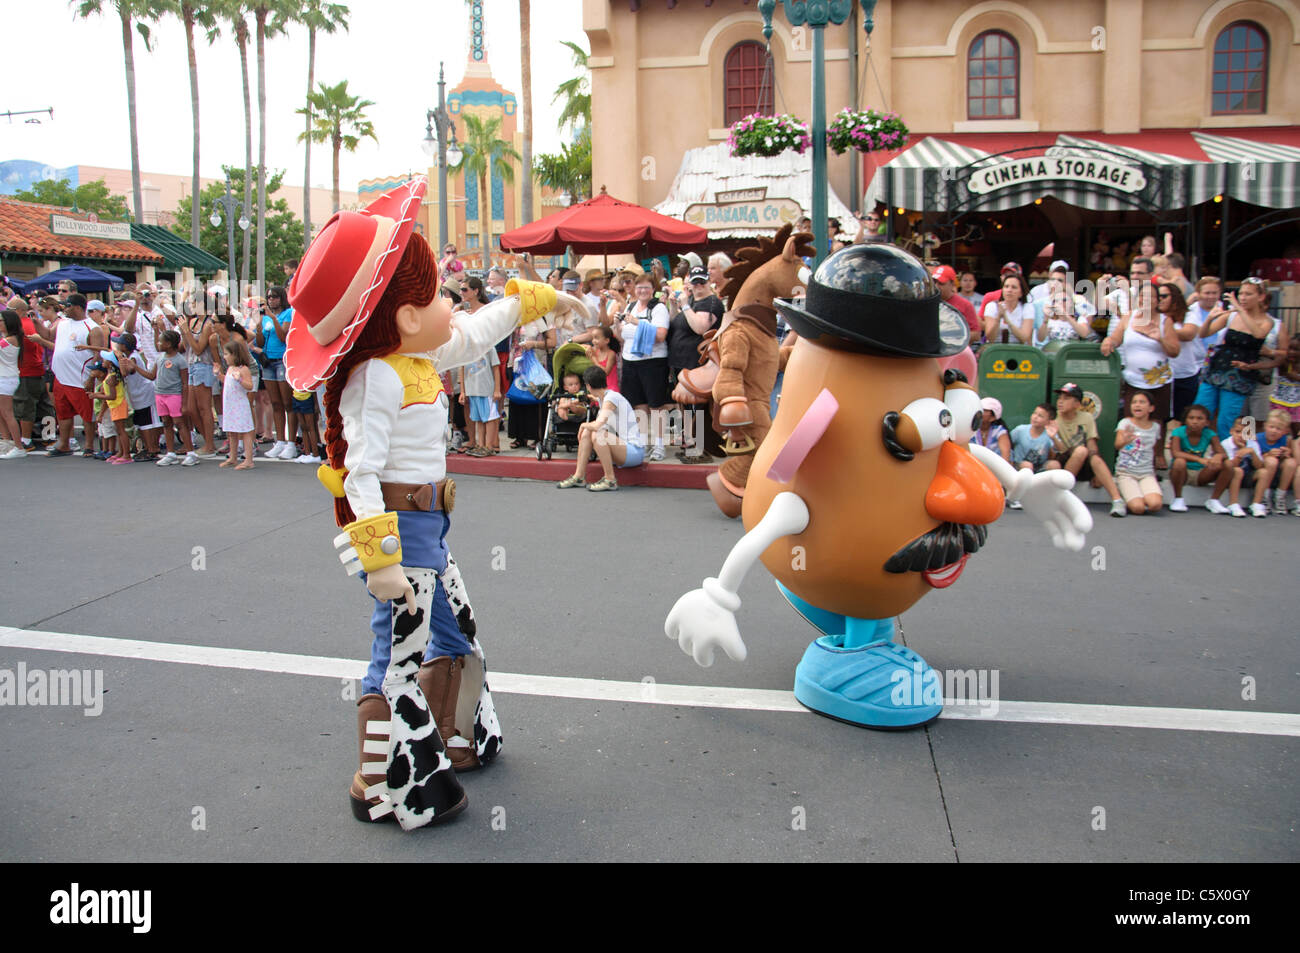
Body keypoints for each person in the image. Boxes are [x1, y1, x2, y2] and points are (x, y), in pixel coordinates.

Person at [1194, 278, 1274, 439]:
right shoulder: (1231, 316)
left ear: (1261, 297)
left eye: (1248, 294)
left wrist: (1239, 309)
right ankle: (1196, 452)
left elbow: (1258, 334)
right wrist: (1210, 318)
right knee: (1200, 412)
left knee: (1226, 420)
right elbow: (1203, 334)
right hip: (1217, 369)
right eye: (1241, 293)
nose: (1242, 297)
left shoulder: (1267, 321)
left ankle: (1226, 456)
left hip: (1239, 375)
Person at [1101, 280, 1181, 423]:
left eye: (1151, 297)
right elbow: (1116, 338)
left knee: (1156, 425)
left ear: (1157, 301)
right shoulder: (1129, 317)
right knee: (1130, 422)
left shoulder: (1165, 321)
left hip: (1159, 383)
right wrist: (1108, 342)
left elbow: (1175, 351)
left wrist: (1160, 339)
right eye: (1143, 296)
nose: (1146, 300)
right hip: (1133, 381)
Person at [556, 365, 643, 491]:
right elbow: (593, 398)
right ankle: (579, 476)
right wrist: (577, 403)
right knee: (588, 432)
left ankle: (610, 480)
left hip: (634, 452)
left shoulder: (611, 398)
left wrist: (582, 424)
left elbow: (598, 425)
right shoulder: (604, 397)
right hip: (622, 448)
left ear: (588, 386)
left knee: (597, 433)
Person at [669, 266, 724, 462]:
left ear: (709, 282)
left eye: (702, 282)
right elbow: (675, 323)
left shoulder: (712, 303)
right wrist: (674, 305)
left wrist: (685, 306)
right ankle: (690, 444)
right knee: (684, 405)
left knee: (697, 407)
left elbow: (701, 327)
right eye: (695, 282)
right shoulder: (692, 301)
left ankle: (700, 448)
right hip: (680, 362)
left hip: (697, 363)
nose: (699, 286)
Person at [613, 273, 670, 461]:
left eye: (646, 287)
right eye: (639, 287)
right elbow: (621, 337)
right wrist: (616, 324)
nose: (642, 291)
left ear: (653, 289)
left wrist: (637, 322)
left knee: (656, 405)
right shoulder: (630, 306)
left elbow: (661, 336)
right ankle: (643, 442)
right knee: (638, 404)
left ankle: (660, 444)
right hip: (630, 361)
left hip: (653, 362)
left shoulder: (659, 308)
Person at [1047, 383, 1126, 516]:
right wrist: (1054, 438)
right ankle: (1062, 496)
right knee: (1078, 452)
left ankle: (1117, 500)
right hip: (1063, 460)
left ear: (1077, 404)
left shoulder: (1086, 418)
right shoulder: (1054, 418)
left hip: (1082, 460)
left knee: (1092, 456)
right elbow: (1053, 452)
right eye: (1060, 397)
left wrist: (1096, 472)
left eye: (1066, 398)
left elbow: (1092, 445)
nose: (1060, 401)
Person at [47, 293, 107, 457]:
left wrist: (91, 377)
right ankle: (64, 444)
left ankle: (88, 446)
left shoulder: (93, 328)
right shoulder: (62, 323)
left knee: (87, 414)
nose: (65, 308)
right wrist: (35, 321)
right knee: (63, 412)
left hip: (80, 378)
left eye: (68, 305)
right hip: (60, 376)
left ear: (78, 307)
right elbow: (47, 335)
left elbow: (97, 355)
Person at [6, 296, 54, 452]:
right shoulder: (31, 323)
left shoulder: (19, 326)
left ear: (20, 311)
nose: (7, 313)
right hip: (38, 368)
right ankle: (49, 437)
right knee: (44, 406)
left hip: (26, 371)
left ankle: (26, 440)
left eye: (10, 310)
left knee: (25, 406)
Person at [256, 286, 296, 460]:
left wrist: (273, 319)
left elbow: (283, 337)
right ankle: (279, 441)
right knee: (275, 402)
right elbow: (260, 340)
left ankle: (291, 443)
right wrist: (259, 324)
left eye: (274, 297)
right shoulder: (266, 318)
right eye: (269, 297)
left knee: (287, 403)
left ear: (282, 298)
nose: (271, 300)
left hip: (282, 361)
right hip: (268, 362)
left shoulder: (287, 314)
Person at [152, 330, 200, 467]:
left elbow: (185, 383)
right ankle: (170, 453)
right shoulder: (160, 357)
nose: (158, 343)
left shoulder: (180, 360)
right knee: (166, 423)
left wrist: (184, 404)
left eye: (161, 341)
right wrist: (134, 367)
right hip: (160, 394)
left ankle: (191, 453)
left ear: (169, 344)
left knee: (179, 423)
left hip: (174, 395)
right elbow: (151, 375)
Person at [179, 301, 220, 458]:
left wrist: (186, 332)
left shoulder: (208, 324)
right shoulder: (192, 321)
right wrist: (184, 332)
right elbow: (185, 346)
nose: (192, 304)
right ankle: (208, 441)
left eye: (195, 301)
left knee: (204, 407)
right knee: (191, 408)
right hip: (191, 366)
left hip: (204, 365)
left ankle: (209, 446)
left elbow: (198, 349)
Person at [1113, 391, 1163, 515]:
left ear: (1151, 408)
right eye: (1134, 402)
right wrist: (1125, 440)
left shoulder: (1156, 427)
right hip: (1126, 473)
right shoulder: (1125, 423)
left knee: (1155, 505)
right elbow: (1117, 445)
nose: (1137, 405)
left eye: (1142, 402)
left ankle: (1139, 495)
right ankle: (1129, 498)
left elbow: (1153, 449)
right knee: (1138, 508)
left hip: (1146, 473)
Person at [1168, 404, 1225, 513]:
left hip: (1200, 473)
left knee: (1227, 464)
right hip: (1181, 473)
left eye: (1200, 419)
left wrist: (1218, 456)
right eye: (1191, 418)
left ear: (1207, 422)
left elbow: (1223, 453)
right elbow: (1175, 453)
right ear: (1185, 420)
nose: (1195, 421)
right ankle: (1178, 498)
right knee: (1179, 462)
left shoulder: (1210, 434)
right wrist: (1199, 459)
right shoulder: (1178, 432)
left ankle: (1214, 500)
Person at [115, 331, 161, 460]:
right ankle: (148, 448)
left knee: (147, 423)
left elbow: (126, 372)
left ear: (124, 346)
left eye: (119, 344)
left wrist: (120, 359)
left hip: (144, 394)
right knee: (142, 423)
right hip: (138, 395)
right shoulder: (129, 356)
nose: (117, 346)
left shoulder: (133, 357)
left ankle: (151, 449)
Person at [1206, 416, 1258, 516]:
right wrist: (1240, 452)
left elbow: (1260, 466)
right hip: (1227, 477)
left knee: (1263, 473)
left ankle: (1256, 503)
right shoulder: (1226, 444)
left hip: (1247, 476)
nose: (1241, 436)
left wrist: (1252, 452)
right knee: (1238, 471)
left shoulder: (1253, 444)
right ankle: (1233, 504)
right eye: (1238, 432)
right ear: (1231, 431)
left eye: (1246, 433)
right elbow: (1229, 467)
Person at [1249, 408, 1297, 517]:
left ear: (1285, 431)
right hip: (1260, 473)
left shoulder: (1286, 440)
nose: (1274, 431)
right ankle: (1264, 495)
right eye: (1271, 427)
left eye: (1279, 429)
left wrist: (1287, 453)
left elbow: (1289, 458)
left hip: (1279, 474)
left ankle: (1280, 496)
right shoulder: (1257, 438)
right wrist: (1267, 455)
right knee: (1271, 461)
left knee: (1291, 462)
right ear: (1265, 426)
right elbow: (1253, 462)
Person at [219, 337, 257, 470]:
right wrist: (219, 375)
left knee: (245, 431)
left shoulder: (243, 369)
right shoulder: (230, 368)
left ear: (234, 354)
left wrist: (240, 379)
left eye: (226, 354)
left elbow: (250, 385)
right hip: (230, 405)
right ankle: (233, 457)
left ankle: (249, 459)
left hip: (240, 405)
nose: (224, 357)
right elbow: (228, 381)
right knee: (232, 431)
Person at [458, 346, 501, 457]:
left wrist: (497, 389)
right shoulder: (466, 349)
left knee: (489, 418)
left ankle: (489, 446)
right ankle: (481, 445)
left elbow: (496, 368)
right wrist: (463, 391)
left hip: (486, 390)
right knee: (479, 419)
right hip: (472, 391)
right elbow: (462, 370)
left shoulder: (489, 347)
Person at [92, 350, 132, 464]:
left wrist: (96, 395)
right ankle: (120, 452)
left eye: (105, 359)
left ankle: (126, 455)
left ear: (110, 363)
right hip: (115, 405)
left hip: (117, 404)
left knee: (121, 431)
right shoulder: (111, 375)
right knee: (118, 430)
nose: (103, 361)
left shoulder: (112, 377)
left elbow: (112, 396)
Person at [0, 309, 26, 458]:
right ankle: (6, 441)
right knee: (2, 413)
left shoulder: (10, 340)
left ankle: (18, 446)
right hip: (4, 377)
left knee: (8, 414)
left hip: (6, 379)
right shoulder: (8, 338)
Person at [981, 272, 1033, 344]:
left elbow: (1024, 338)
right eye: (1006, 286)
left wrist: (1007, 320)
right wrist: (998, 318)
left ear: (1021, 293)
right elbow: (990, 339)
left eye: (1014, 287)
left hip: (1019, 349)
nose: (1009, 290)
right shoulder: (992, 306)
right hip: (996, 348)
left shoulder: (1027, 308)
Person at [1010, 403, 1056, 477]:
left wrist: (1054, 438)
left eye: (1040, 416)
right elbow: (1008, 445)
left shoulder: (1050, 433)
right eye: (1034, 413)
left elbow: (1059, 450)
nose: (1035, 417)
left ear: (1049, 421)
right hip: (1020, 465)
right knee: (1028, 466)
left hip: (1039, 467)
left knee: (1055, 464)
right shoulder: (1020, 430)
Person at [932, 265, 979, 339]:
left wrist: (955, 338)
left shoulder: (965, 305)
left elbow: (976, 334)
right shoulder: (926, 302)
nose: (936, 286)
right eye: (934, 282)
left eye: (941, 283)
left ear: (952, 284)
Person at [1269, 335, 1300, 438]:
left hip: (1296, 404)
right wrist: (1249, 366)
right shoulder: (1284, 362)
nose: (1291, 352)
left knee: (1296, 429)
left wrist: (1293, 376)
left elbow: (1290, 375)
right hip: (1280, 401)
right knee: (1278, 427)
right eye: (1289, 348)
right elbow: (1270, 364)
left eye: (1296, 349)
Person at [970, 396, 1011, 464]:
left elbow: (1005, 457)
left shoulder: (1000, 432)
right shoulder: (970, 430)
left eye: (984, 410)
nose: (980, 411)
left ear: (993, 417)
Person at [584, 324, 619, 393]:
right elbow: (582, 346)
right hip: (598, 389)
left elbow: (605, 373)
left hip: (610, 389)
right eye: (592, 338)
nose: (593, 341)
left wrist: (594, 359)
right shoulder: (594, 350)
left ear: (606, 340)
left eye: (596, 338)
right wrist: (588, 347)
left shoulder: (611, 354)